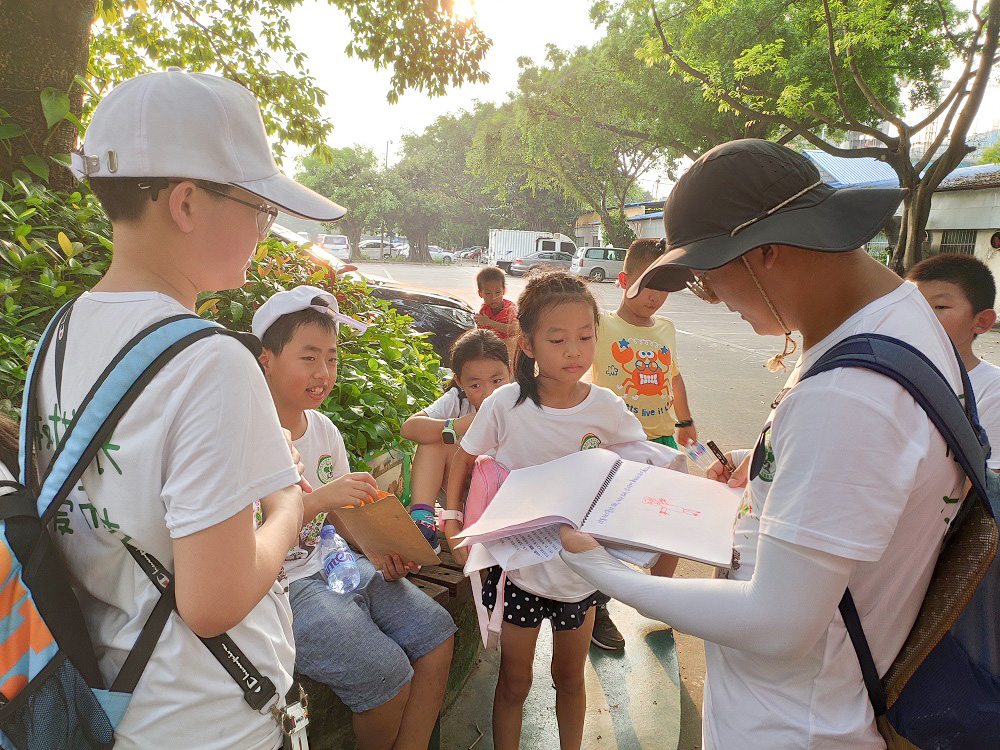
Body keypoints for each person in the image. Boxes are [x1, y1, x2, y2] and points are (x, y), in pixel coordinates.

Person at [558, 139, 966, 749]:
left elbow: (778, 625)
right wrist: (772, 469)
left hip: (789, 725)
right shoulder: (898, 321)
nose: (714, 299)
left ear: (766, 252)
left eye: (707, 278)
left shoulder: (849, 395)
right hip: (805, 704)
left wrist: (605, 571)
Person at [27, 69, 345, 749]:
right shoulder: (210, 361)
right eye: (257, 206)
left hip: (110, 704)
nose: (266, 229)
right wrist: (288, 505)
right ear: (186, 203)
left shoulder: (56, 337)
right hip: (213, 719)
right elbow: (214, 603)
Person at [443, 272, 651, 750]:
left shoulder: (607, 408)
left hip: (580, 577)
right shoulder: (507, 403)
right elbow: (463, 457)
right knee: (515, 682)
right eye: (558, 339)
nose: (574, 351)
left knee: (571, 680)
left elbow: (644, 465)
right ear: (530, 344)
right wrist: (451, 521)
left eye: (585, 337)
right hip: (521, 573)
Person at [252, 286, 456, 750]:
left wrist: (386, 549)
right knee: (386, 675)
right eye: (308, 358)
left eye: (331, 358)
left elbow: (345, 520)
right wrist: (320, 499)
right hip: (278, 588)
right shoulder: (246, 434)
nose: (323, 373)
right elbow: (240, 538)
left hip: (333, 563)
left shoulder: (322, 428)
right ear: (266, 359)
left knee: (437, 635)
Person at [588, 237, 697, 650]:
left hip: (663, 438)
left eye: (665, 286)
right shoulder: (599, 326)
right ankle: (597, 608)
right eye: (648, 283)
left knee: (670, 525)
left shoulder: (667, 329)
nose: (656, 295)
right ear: (623, 280)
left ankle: (661, 598)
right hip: (613, 445)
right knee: (605, 531)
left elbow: (674, 375)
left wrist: (685, 421)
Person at [402, 328, 511, 551]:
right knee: (434, 439)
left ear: (511, 372)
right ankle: (423, 524)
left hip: (503, 502)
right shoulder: (459, 401)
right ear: (460, 382)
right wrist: (461, 424)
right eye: (475, 385)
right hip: (461, 497)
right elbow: (410, 428)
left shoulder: (520, 400)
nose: (488, 393)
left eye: (497, 380)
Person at [908, 253, 1000, 471]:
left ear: (981, 322)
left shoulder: (992, 390)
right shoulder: (892, 376)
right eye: (912, 305)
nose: (919, 317)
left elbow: (987, 486)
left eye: (939, 307)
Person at [473, 266, 519, 365]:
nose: (493, 297)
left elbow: (514, 330)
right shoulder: (483, 311)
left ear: (504, 291)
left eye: (498, 292)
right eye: (488, 293)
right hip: (494, 356)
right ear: (480, 294)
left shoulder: (510, 308)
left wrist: (489, 322)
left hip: (511, 355)